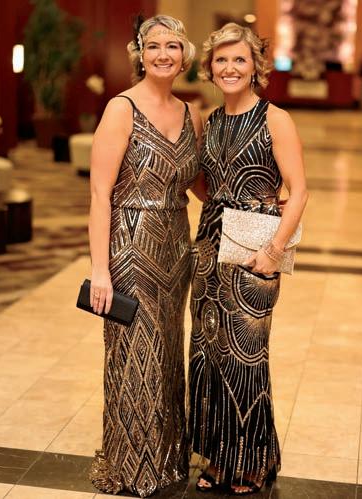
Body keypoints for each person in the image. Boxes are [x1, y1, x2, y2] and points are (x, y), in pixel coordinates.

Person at [188, 23, 308, 495]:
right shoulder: (211, 120)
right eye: (221, 59)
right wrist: (221, 207)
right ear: (210, 68)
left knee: (246, 358)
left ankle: (252, 462)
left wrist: (273, 250)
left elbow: (299, 192)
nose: (230, 68)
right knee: (207, 353)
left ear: (256, 66)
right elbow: (202, 184)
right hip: (209, 248)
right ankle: (219, 458)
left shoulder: (275, 119)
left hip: (258, 254)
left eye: (239, 59)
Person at [88, 15, 203, 497]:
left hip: (176, 246)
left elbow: (199, 185)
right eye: (153, 45)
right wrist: (100, 270)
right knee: (135, 353)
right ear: (140, 52)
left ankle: (167, 457)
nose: (163, 54)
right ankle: (131, 464)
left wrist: (255, 199)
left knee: (168, 351)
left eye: (172, 46)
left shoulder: (192, 113)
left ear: (184, 55)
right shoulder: (121, 108)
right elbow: (100, 194)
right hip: (130, 246)